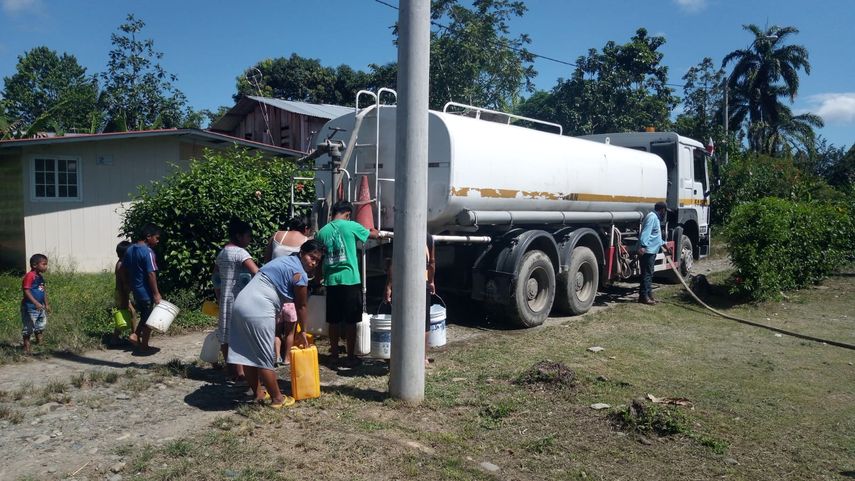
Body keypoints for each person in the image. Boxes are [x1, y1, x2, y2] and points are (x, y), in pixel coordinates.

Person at [228, 240, 322, 408]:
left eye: (317, 260)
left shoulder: (283, 260)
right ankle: (278, 399)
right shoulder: (299, 274)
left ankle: (258, 394)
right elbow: (301, 306)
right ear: (302, 253)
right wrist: (303, 331)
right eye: (311, 257)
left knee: (248, 354)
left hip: (241, 302)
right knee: (264, 357)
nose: (313, 263)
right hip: (259, 307)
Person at [314, 201, 380, 367]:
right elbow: (373, 235)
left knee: (333, 320)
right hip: (350, 279)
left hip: (331, 280)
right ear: (347, 214)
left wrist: (317, 279)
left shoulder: (322, 232)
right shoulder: (351, 226)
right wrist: (374, 230)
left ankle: (334, 356)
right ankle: (350, 356)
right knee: (352, 320)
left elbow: (319, 259)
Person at [214, 219, 260, 381]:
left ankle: (230, 369)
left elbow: (215, 277)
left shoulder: (222, 253)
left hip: (225, 299)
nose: (249, 239)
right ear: (239, 236)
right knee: (239, 335)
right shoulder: (241, 253)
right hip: (239, 300)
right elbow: (257, 272)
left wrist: (219, 295)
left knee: (225, 333)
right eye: (248, 236)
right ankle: (240, 373)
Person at [263, 216, 312, 365]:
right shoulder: (306, 241)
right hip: (293, 293)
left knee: (276, 330)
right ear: (306, 229)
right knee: (291, 330)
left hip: (274, 290)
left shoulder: (277, 235)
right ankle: (287, 358)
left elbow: (267, 260)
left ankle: (276, 355)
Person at [384, 235, 436, 366]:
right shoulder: (428, 238)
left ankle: (404, 355)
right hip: (421, 283)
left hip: (404, 284)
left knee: (403, 319)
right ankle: (422, 358)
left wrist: (389, 285)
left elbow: (393, 263)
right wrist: (431, 281)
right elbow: (432, 262)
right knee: (424, 322)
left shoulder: (401, 233)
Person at [121, 223, 162, 351]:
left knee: (145, 315)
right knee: (148, 317)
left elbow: (123, 269)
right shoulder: (148, 252)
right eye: (156, 238)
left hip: (136, 290)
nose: (158, 241)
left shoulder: (129, 250)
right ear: (148, 236)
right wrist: (156, 294)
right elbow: (151, 274)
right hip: (145, 291)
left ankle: (143, 343)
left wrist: (126, 283)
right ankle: (137, 336)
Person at [637, 201, 669, 305]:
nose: (665, 214)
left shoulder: (655, 218)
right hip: (648, 251)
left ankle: (649, 295)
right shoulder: (652, 217)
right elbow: (646, 232)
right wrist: (643, 246)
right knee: (647, 274)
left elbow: (656, 236)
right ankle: (644, 296)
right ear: (662, 210)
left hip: (652, 250)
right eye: (665, 211)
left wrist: (664, 244)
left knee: (649, 273)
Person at [21, 254, 49, 354]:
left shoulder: (40, 277)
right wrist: (35, 302)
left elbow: (43, 291)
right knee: (29, 326)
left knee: (40, 324)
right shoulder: (30, 276)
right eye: (44, 264)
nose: (46, 266)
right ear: (34, 265)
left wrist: (46, 304)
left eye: (46, 264)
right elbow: (26, 290)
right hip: (30, 307)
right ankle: (26, 346)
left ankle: (39, 342)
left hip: (40, 306)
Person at [112, 240, 136, 346]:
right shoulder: (121, 265)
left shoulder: (120, 263)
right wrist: (127, 293)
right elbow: (124, 282)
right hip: (122, 293)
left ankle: (115, 338)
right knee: (132, 313)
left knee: (124, 314)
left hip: (120, 293)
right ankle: (134, 336)